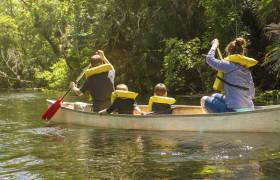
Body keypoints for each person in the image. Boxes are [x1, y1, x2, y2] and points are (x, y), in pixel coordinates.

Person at [201, 37, 258, 113]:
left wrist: (215, 45)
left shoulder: (227, 65)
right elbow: (252, 94)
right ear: (242, 54)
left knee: (204, 99)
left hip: (234, 110)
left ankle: (213, 122)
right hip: (250, 108)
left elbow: (209, 59)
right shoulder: (247, 70)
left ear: (229, 53)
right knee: (215, 96)